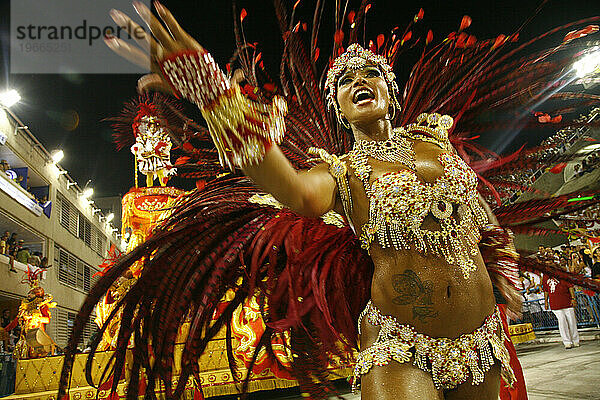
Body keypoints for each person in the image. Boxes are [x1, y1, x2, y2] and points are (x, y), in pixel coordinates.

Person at [58, 3, 600, 400]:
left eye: (370, 75)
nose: (359, 81)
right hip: (402, 345)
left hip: (480, 340)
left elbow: (484, 224)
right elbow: (291, 190)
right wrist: (211, 90)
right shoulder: (342, 171)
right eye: (345, 82)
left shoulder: (437, 143)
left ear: (390, 90)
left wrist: (500, 269)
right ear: (340, 109)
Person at [542, 269, 579, 349]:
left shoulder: (562, 274)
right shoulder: (545, 276)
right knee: (562, 321)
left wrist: (573, 298)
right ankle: (567, 342)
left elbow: (570, 286)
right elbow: (545, 289)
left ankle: (575, 340)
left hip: (567, 301)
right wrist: (545, 301)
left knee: (571, 321)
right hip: (555, 303)